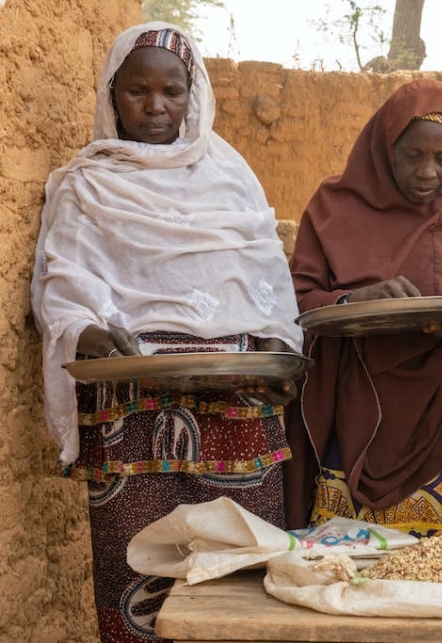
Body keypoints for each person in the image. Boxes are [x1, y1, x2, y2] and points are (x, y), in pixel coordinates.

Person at [30, 23, 303, 643]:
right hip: (130, 409)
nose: (156, 107)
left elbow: (267, 285)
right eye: (137, 91)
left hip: (235, 405)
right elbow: (63, 285)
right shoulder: (86, 184)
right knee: (137, 586)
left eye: (172, 92)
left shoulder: (231, 178)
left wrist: (274, 349)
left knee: (244, 580)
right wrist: (91, 335)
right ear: (111, 94)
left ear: (194, 94)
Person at [285, 79, 442, 547]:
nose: (426, 173)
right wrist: (355, 301)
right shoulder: (336, 208)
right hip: (362, 410)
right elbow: (296, 302)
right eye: (412, 156)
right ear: (385, 147)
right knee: (356, 563)